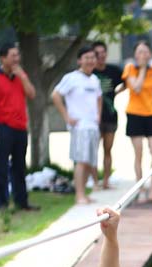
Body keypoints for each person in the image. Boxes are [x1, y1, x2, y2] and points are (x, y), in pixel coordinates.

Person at [0, 43, 39, 211]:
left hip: (20, 127)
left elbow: (32, 94)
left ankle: (21, 201)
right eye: (12, 56)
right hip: (3, 126)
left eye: (17, 55)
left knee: (19, 166)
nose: (16, 59)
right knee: (0, 166)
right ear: (3, 58)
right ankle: (0, 202)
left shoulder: (20, 75)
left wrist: (22, 76)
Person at [51, 46, 102, 205]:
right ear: (79, 60)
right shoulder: (71, 78)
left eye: (92, 58)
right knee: (81, 160)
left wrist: (98, 116)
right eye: (86, 58)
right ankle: (79, 195)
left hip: (92, 126)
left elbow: (99, 98)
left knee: (89, 161)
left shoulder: (94, 79)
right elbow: (55, 95)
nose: (90, 61)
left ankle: (84, 193)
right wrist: (67, 116)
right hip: (80, 127)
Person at [122, 41, 152, 203]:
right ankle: (140, 189)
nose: (143, 55)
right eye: (140, 52)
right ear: (135, 54)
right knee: (139, 154)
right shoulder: (130, 68)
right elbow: (136, 88)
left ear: (150, 54)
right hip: (135, 114)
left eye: (146, 51)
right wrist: (142, 69)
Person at [92, 41, 124, 190]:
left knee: (108, 149)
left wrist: (116, 92)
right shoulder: (90, 72)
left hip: (110, 115)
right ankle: (94, 181)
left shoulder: (114, 70)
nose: (101, 56)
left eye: (103, 53)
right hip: (94, 117)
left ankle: (106, 180)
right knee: (94, 150)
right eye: (97, 53)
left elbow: (126, 82)